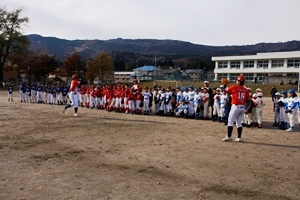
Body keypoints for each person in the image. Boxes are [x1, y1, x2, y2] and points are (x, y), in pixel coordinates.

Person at [222, 75, 250, 142]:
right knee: (239, 123)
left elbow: (225, 91)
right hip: (242, 107)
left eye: (237, 80)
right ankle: (239, 137)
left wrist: (224, 85)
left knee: (230, 121)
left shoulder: (234, 87)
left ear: (238, 81)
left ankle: (229, 136)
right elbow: (248, 100)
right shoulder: (246, 90)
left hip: (235, 106)